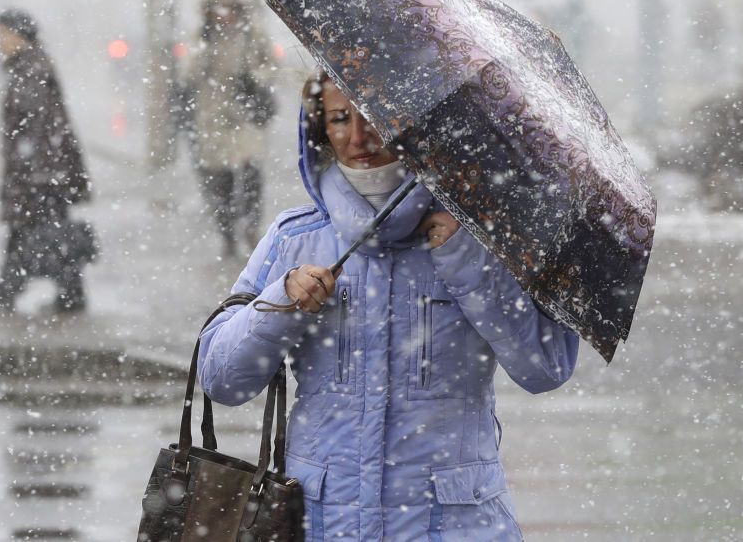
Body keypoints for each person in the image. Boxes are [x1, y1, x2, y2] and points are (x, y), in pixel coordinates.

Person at [197, 75, 580, 540]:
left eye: (376, 118)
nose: (359, 137)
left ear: (414, 126)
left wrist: (469, 262)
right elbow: (222, 378)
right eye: (340, 119)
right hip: (323, 524)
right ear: (320, 130)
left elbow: (545, 366)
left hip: (456, 525)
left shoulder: (482, 235)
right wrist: (282, 300)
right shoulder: (295, 238)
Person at [0, 9, 93, 313]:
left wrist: (33, 169)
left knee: (48, 231)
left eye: (2, 34)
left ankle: (66, 294)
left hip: (41, 170)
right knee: (32, 229)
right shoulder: (27, 66)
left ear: (18, 35)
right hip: (42, 168)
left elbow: (38, 125)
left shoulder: (31, 69)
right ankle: (10, 287)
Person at [186, 0, 275, 257]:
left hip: (245, 115)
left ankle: (251, 226)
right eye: (217, 11)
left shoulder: (253, 36)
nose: (224, 17)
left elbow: (269, 66)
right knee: (219, 180)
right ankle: (226, 232)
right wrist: (205, 46)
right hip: (213, 118)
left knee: (250, 174)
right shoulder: (202, 39)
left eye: (228, 10)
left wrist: (255, 78)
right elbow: (191, 74)